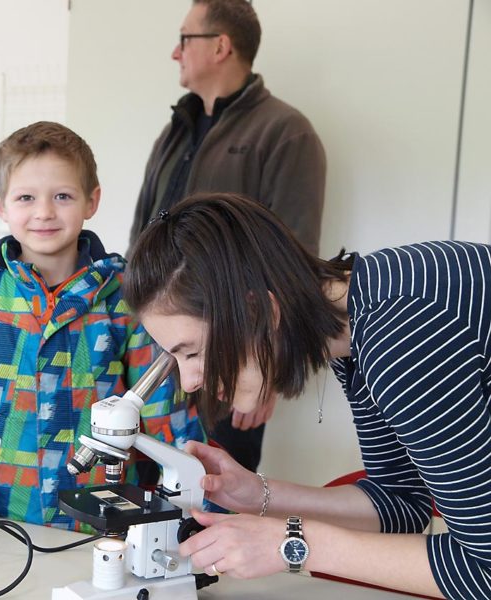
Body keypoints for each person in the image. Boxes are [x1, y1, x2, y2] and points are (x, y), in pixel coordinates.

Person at [124, 193, 491, 599]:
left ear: (258, 314)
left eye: (192, 352)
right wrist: (258, 495)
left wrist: (290, 546)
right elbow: (401, 502)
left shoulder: (402, 333)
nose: (190, 381)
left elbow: (484, 571)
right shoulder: (359, 319)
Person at [0, 121, 203, 527]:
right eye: (26, 197)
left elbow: (168, 409)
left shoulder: (127, 299)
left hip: (102, 524)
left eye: (62, 196)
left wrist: (192, 505)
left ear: (91, 201)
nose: (44, 212)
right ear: (1, 205)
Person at [129, 0, 326, 472]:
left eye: (184, 40)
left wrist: (271, 371)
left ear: (220, 46)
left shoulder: (286, 132)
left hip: (235, 349)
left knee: (218, 489)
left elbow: (294, 261)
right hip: (159, 346)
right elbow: (142, 230)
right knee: (149, 485)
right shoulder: (175, 129)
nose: (175, 54)